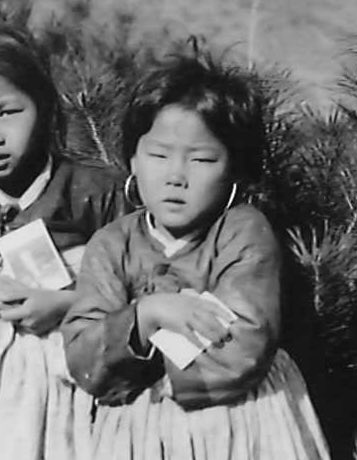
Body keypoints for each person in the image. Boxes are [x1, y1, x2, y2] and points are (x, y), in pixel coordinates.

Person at [62, 44, 330, 459]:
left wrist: (169, 376)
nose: (176, 176)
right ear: (132, 159)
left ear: (235, 170)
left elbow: (247, 338)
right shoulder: (112, 243)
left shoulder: (241, 232)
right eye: (157, 154)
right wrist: (145, 315)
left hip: (238, 418)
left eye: (202, 159)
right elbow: (83, 351)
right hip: (141, 427)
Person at [0, 24, 126, 460]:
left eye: (8, 112)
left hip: (73, 388)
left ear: (46, 108)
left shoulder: (97, 192)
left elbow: (145, 289)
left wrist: (64, 304)